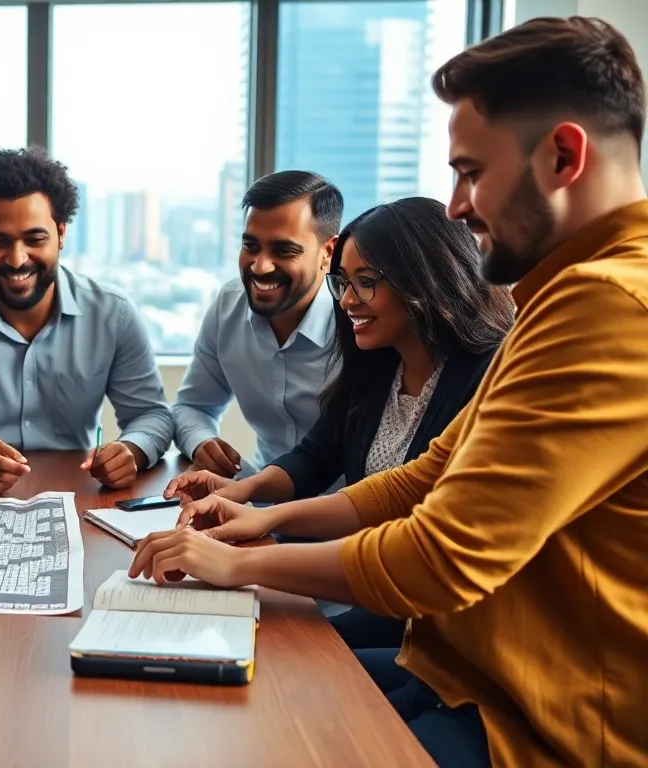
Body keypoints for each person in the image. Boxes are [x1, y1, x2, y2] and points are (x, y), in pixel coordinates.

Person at [130, 17, 648, 767]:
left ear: (565, 156)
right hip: (458, 674)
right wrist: (253, 521)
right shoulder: (560, 297)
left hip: (533, 727)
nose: (457, 205)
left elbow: (442, 555)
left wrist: (244, 561)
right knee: (225, 698)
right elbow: (428, 474)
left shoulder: (608, 305)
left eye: (471, 172)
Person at [166, 197, 513, 650]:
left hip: (431, 622)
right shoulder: (375, 363)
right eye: (345, 283)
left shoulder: (488, 374)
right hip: (380, 600)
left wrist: (247, 549)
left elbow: (417, 528)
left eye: (365, 283)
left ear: (426, 282)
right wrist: (248, 498)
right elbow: (318, 456)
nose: (347, 300)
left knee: (270, 654)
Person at [0, 148, 173, 495]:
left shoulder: (113, 314)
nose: (17, 259)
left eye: (34, 239)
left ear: (61, 234)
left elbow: (153, 416)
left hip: (79, 498)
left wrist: (132, 450)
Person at [172, 171, 342, 481]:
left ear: (327, 253)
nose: (260, 266)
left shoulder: (358, 321)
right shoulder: (228, 308)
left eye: (284, 251)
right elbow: (191, 406)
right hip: (258, 503)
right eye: (251, 246)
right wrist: (202, 442)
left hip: (347, 517)